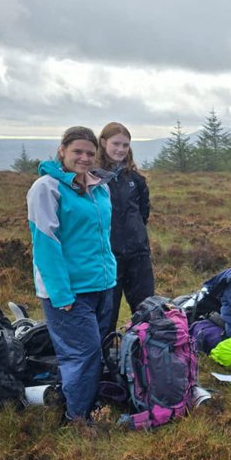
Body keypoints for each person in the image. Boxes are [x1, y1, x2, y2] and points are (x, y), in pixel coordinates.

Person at [27, 126, 117, 422]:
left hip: (102, 285)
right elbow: (46, 244)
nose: (84, 158)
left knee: (95, 351)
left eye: (90, 153)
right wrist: (60, 294)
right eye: (77, 151)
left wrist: (110, 277)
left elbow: (101, 236)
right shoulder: (46, 188)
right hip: (69, 291)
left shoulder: (99, 187)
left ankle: (88, 403)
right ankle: (78, 418)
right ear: (62, 151)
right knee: (82, 354)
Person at [98, 121, 154, 334]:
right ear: (103, 142)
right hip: (107, 256)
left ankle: (143, 352)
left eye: (125, 145)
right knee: (107, 313)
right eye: (116, 144)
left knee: (146, 311)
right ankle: (104, 352)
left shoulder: (135, 178)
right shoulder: (93, 177)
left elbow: (143, 212)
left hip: (138, 254)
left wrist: (136, 234)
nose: (121, 149)